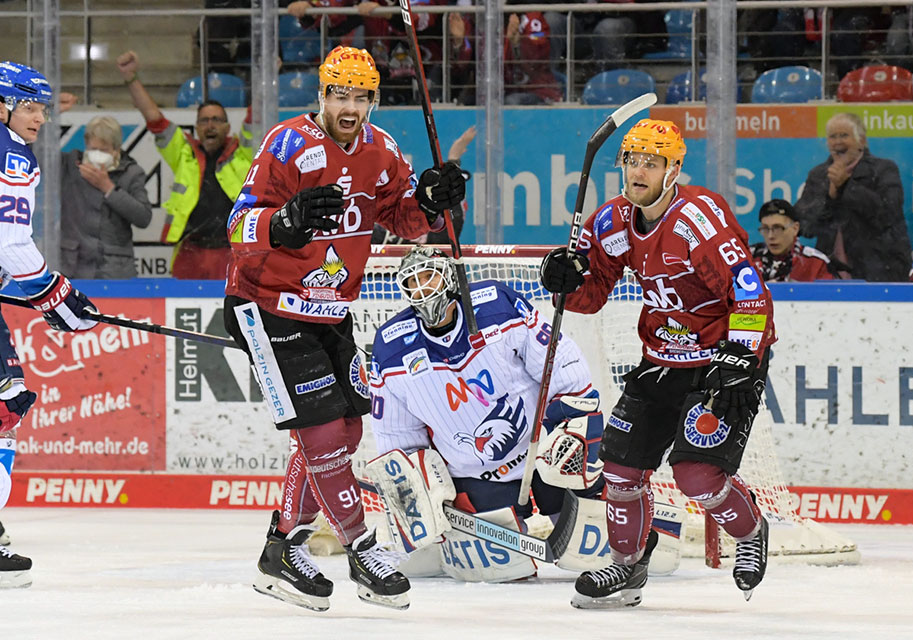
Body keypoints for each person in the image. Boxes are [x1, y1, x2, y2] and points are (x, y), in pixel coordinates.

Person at [222, 45, 465, 612]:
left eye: (361, 96)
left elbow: (403, 219)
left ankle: (282, 547)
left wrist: (430, 201)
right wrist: (283, 222)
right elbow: (238, 225)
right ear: (322, 94)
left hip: (331, 310)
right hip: (266, 305)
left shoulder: (382, 151)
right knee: (324, 435)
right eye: (340, 94)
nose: (350, 107)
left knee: (347, 432)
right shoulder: (288, 143)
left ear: (374, 100)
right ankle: (361, 547)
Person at [539, 119, 776, 608]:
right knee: (620, 470)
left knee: (696, 476)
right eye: (632, 160)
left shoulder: (698, 220)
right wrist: (563, 278)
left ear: (674, 169)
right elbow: (590, 296)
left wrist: (742, 356)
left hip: (719, 363)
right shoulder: (611, 222)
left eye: (652, 162)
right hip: (661, 358)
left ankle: (750, 529)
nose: (639, 171)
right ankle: (627, 567)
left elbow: (750, 292)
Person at [365, 246, 606, 582]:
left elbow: (561, 367)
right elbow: (397, 434)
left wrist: (569, 425)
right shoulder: (391, 349)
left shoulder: (496, 304)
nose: (422, 290)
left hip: (544, 452)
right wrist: (419, 487)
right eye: (412, 283)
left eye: (429, 277)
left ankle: (625, 513)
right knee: (501, 575)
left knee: (596, 559)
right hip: (475, 474)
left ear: (449, 276)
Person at [0, 61, 99, 589]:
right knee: (4, 408)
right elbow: (10, 244)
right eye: (31, 107)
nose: (40, 117)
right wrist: (54, 294)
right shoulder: (11, 152)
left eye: (42, 107)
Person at [116, 50, 253, 280]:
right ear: (197, 128)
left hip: (234, 253)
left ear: (228, 128)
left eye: (217, 120)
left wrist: (270, 74)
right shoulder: (183, 153)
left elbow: (257, 115)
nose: (210, 126)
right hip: (190, 254)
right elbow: (154, 119)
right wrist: (130, 77)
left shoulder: (245, 152)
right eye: (204, 121)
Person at [794, 112, 911, 282]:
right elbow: (805, 226)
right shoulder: (818, 175)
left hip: (879, 273)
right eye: (832, 137)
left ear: (861, 141)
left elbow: (888, 214)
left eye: (844, 135)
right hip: (829, 275)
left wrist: (846, 186)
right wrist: (831, 197)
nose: (838, 142)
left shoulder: (884, 170)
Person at [58, 113, 152, 279]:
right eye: (93, 149)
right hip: (73, 267)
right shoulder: (70, 165)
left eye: (104, 150)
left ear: (116, 150)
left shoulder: (132, 172)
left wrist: (108, 188)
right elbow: (35, 152)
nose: (98, 154)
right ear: (86, 144)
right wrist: (50, 113)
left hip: (114, 271)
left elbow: (143, 217)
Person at [750, 199, 833, 282]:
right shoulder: (748, 258)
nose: (770, 236)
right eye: (766, 228)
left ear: (795, 228)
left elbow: (830, 294)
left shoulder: (816, 263)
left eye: (778, 228)